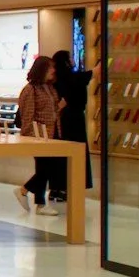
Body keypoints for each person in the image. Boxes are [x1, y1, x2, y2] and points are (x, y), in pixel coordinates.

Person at [17, 54, 67, 216]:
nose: (53, 70)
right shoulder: (30, 90)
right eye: (50, 67)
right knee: (45, 168)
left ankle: (36, 200)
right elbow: (27, 115)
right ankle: (27, 193)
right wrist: (29, 137)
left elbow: (51, 110)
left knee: (46, 168)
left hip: (52, 133)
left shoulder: (49, 87)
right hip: (38, 135)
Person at [52, 46, 94, 190]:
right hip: (75, 120)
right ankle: (73, 185)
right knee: (77, 152)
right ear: (66, 61)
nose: (73, 59)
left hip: (62, 120)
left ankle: (59, 187)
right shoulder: (75, 77)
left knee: (62, 154)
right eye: (70, 57)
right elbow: (94, 73)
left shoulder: (56, 80)